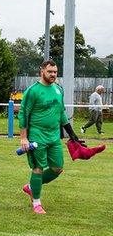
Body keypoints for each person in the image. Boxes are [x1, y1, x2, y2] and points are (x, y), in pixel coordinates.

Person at [18, 60, 84, 214]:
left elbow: (61, 113)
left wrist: (72, 133)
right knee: (38, 169)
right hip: (36, 137)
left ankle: (30, 187)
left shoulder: (58, 90)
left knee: (57, 168)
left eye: (55, 72)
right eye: (50, 71)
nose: (53, 74)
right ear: (42, 71)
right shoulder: (32, 91)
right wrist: (23, 138)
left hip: (54, 137)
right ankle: (36, 202)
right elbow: (23, 114)